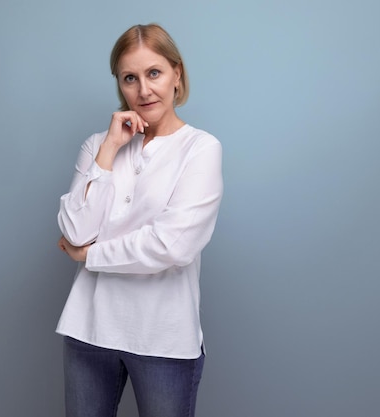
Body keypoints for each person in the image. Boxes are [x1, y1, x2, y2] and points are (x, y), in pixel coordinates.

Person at [56, 23, 223, 417]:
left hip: (162, 338)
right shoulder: (99, 145)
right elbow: (76, 229)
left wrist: (90, 256)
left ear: (176, 74)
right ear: (119, 84)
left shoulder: (200, 149)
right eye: (130, 78)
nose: (143, 90)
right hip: (89, 330)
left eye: (154, 73)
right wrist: (112, 147)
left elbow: (172, 246)